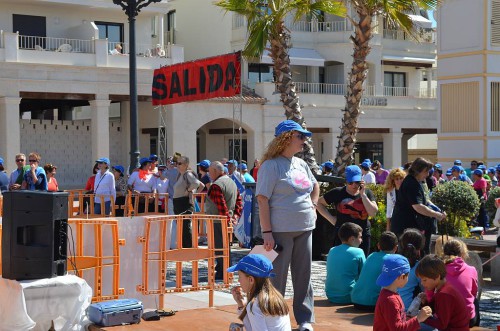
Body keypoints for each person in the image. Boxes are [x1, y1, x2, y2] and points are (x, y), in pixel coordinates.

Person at [256, 119, 319, 331]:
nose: (304, 141)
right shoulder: (270, 165)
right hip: (280, 230)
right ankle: (276, 319)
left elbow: (315, 185)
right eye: (300, 136)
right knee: (277, 279)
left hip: (305, 228)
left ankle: (305, 320)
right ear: (286, 138)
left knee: (304, 276)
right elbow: (262, 199)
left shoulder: (301, 164)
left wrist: (313, 204)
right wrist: (267, 233)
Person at [316, 165, 378, 256]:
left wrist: (363, 195)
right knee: (342, 262)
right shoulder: (338, 192)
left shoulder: (367, 193)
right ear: (346, 181)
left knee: (361, 263)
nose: (354, 185)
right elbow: (318, 203)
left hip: (362, 235)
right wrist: (332, 219)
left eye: (357, 182)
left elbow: (373, 213)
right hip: (342, 235)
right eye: (350, 182)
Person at [390, 157, 446, 255]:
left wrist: (438, 210)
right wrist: (436, 215)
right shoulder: (411, 183)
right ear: (418, 170)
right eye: (426, 171)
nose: (427, 174)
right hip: (404, 227)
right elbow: (418, 206)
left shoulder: (416, 182)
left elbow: (425, 200)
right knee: (408, 255)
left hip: (410, 227)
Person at [227, 254, 291, 331]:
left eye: (240, 277)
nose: (239, 281)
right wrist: (241, 305)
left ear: (251, 280)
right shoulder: (276, 296)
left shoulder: (256, 304)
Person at [373, 254, 433, 331]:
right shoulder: (390, 300)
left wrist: (409, 318)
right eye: (407, 276)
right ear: (401, 277)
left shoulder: (388, 294)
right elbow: (397, 329)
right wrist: (418, 319)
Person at [205, 161, 243, 280]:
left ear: (216, 171)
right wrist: (234, 218)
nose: (209, 174)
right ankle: (223, 270)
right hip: (226, 219)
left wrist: (227, 220)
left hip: (218, 221)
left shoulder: (217, 185)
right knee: (225, 247)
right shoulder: (232, 182)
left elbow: (221, 206)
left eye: (210, 172)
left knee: (219, 247)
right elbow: (239, 202)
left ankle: (223, 272)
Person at [416, 255, 470, 331]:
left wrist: (420, 319)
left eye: (424, 280)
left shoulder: (444, 294)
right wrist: (424, 303)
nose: (422, 283)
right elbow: (433, 308)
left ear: (437, 277)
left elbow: (442, 325)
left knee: (414, 326)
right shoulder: (441, 288)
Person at [351, 231, 398, 311]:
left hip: (355, 299)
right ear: (396, 248)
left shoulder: (371, 256)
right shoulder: (392, 261)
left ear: (378, 245)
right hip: (372, 303)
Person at [325, 222, 365, 304]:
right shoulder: (358, 252)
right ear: (352, 239)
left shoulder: (332, 250)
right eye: (360, 237)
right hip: (349, 296)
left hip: (330, 295)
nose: (361, 241)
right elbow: (365, 274)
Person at [442, 239, 479, 327]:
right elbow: (473, 293)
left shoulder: (438, 269)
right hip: (467, 319)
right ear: (462, 253)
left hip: (444, 319)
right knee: (475, 302)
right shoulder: (472, 270)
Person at [173, 155, 205, 248]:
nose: (177, 165)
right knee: (182, 225)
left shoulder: (188, 174)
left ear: (186, 164)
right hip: (179, 202)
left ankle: (188, 247)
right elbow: (201, 185)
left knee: (185, 225)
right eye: (176, 163)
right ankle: (184, 246)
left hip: (183, 202)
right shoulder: (181, 175)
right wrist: (193, 193)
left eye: (179, 163)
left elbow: (197, 184)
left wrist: (189, 191)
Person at [397, 228, 425, 310]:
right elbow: (425, 289)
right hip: (405, 310)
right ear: (419, 248)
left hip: (385, 307)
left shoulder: (392, 260)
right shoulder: (419, 267)